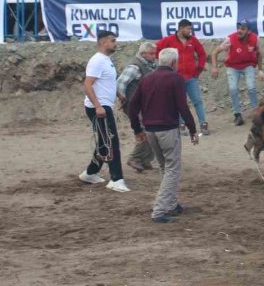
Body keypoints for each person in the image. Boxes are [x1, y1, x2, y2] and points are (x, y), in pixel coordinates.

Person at [128, 47, 199, 224]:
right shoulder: (176, 79)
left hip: (150, 130)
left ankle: (171, 204)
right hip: (167, 129)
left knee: (164, 167)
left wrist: (137, 129)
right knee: (172, 169)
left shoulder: (146, 79)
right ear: (174, 62)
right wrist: (192, 129)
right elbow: (183, 107)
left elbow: (133, 107)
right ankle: (159, 210)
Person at [78, 31, 130, 193]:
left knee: (104, 141)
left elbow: (107, 82)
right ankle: (116, 179)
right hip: (99, 107)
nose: (116, 43)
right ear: (103, 43)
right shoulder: (97, 61)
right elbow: (87, 85)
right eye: (113, 41)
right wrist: (98, 106)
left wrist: (119, 95)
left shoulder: (106, 60)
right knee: (111, 141)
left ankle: (90, 173)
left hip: (104, 105)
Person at [156, 19, 209, 135]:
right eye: (188, 29)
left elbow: (202, 54)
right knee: (180, 102)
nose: (190, 31)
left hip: (191, 77)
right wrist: (165, 67)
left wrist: (199, 69)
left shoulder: (193, 40)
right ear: (180, 28)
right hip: (176, 78)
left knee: (198, 101)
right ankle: (181, 125)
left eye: (191, 29)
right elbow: (157, 50)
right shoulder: (169, 40)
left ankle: (203, 124)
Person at [117, 42, 159, 173]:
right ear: (143, 54)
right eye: (151, 54)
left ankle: (145, 160)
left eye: (154, 53)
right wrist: (125, 100)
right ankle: (135, 158)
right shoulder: (134, 67)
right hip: (136, 106)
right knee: (146, 132)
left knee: (153, 132)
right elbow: (119, 85)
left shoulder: (149, 66)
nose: (154, 56)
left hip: (145, 106)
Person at [211, 20, 263, 126]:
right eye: (238, 28)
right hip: (233, 66)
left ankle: (256, 112)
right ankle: (237, 115)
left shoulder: (255, 39)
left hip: (248, 64)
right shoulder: (230, 39)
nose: (239, 31)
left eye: (243, 29)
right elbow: (215, 52)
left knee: (251, 87)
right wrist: (214, 67)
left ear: (248, 31)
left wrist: (260, 70)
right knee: (233, 89)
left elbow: (259, 54)